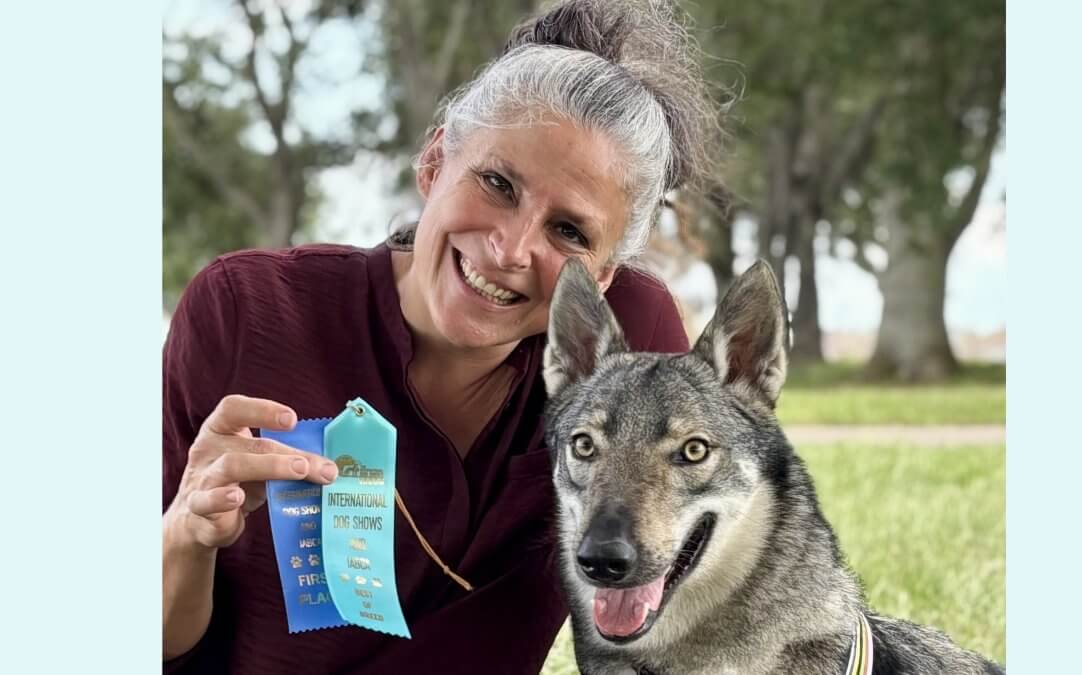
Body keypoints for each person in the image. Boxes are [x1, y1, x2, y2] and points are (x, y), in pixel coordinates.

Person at [161, 0, 721, 672]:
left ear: (603, 275)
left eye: (568, 232)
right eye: (497, 183)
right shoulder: (247, 312)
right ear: (433, 163)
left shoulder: (627, 346)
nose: (511, 249)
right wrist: (189, 532)